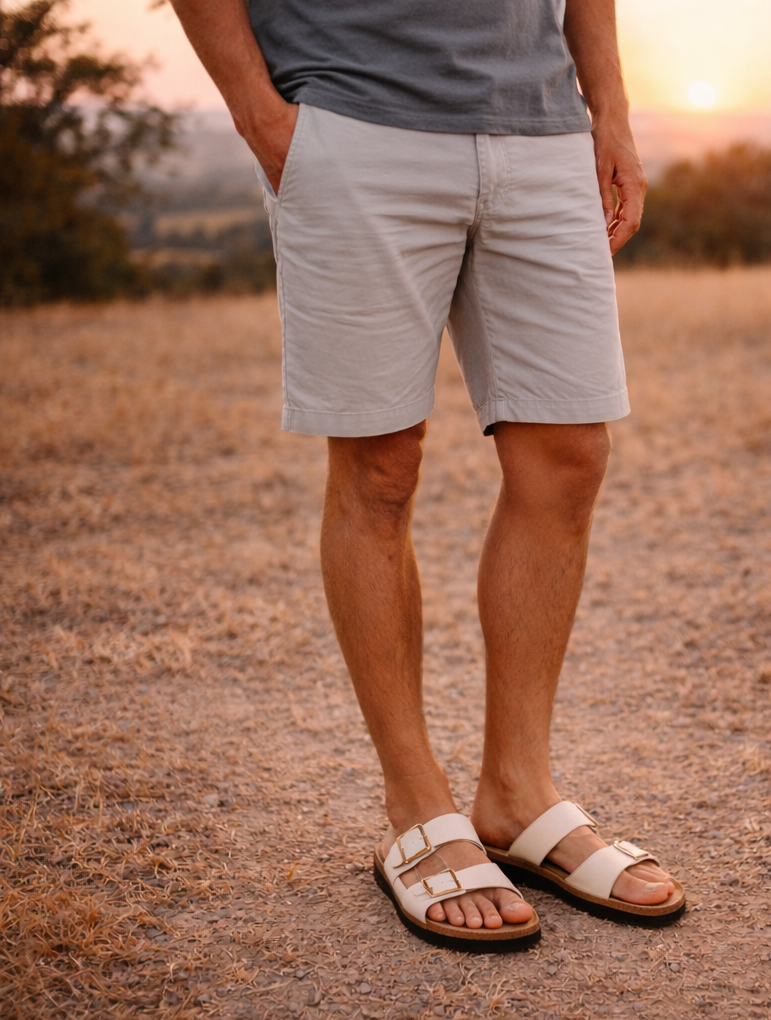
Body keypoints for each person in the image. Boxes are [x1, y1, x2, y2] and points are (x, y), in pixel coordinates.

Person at [170, 0, 684, 950]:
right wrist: (262, 116)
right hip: (352, 119)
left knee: (570, 457)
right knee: (379, 470)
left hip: (541, 123)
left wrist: (607, 109)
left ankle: (517, 795)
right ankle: (417, 807)